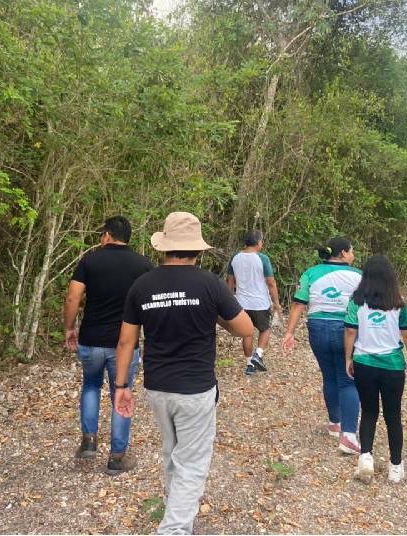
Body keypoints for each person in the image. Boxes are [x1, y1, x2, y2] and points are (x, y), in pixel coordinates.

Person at [113, 211, 254, 535]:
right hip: (195, 390)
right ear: (198, 250)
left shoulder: (142, 285)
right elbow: (245, 328)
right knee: (191, 463)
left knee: (172, 452)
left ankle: (174, 509)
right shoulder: (210, 284)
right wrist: (214, 315)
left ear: (164, 246)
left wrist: (122, 385)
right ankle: (173, 529)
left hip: (157, 387)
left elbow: (126, 341)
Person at [63, 216, 153, 474]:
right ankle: (117, 457)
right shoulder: (143, 264)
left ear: (107, 235)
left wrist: (69, 327)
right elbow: (149, 302)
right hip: (125, 343)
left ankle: (89, 442)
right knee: (121, 393)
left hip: (91, 339)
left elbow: (73, 297)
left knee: (91, 385)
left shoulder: (89, 261)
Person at [281, 237, 362, 454]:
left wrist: (289, 332)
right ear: (343, 253)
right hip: (345, 329)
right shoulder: (359, 276)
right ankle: (349, 436)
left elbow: (298, 304)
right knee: (348, 380)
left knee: (329, 376)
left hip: (317, 328)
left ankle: (335, 423)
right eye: (352, 251)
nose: (353, 255)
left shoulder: (310, 273)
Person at [344, 254, 407, 483]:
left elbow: (350, 331)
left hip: (364, 363)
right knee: (393, 415)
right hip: (392, 365)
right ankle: (395, 466)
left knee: (368, 411)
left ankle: (366, 457)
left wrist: (348, 358)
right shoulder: (399, 302)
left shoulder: (356, 301)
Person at [226, 229, 282, 375]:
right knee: (265, 329)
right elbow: (271, 282)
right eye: (261, 241)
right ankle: (258, 354)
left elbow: (230, 281)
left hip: (241, 303)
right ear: (258, 242)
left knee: (247, 333)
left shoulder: (235, 258)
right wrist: (276, 303)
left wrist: (230, 300)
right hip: (260, 303)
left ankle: (249, 364)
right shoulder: (262, 258)